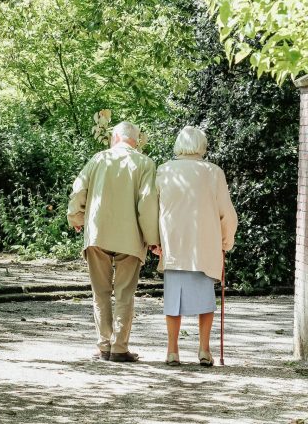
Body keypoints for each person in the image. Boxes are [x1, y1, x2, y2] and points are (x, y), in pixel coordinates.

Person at [67, 121, 160, 363]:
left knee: (100, 293)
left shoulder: (98, 159)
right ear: (135, 140)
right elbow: (147, 203)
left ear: (115, 137)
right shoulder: (145, 163)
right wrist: (153, 239)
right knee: (124, 294)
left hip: (98, 234)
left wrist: (76, 217)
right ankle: (119, 348)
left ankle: (103, 345)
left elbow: (78, 190)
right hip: (130, 237)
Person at [154, 126, 237, 366]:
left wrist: (154, 241)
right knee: (206, 301)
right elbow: (227, 214)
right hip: (204, 245)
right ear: (202, 146)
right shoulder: (213, 172)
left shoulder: (164, 170)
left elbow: (154, 209)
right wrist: (225, 241)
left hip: (174, 244)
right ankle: (204, 349)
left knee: (172, 301)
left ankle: (172, 351)